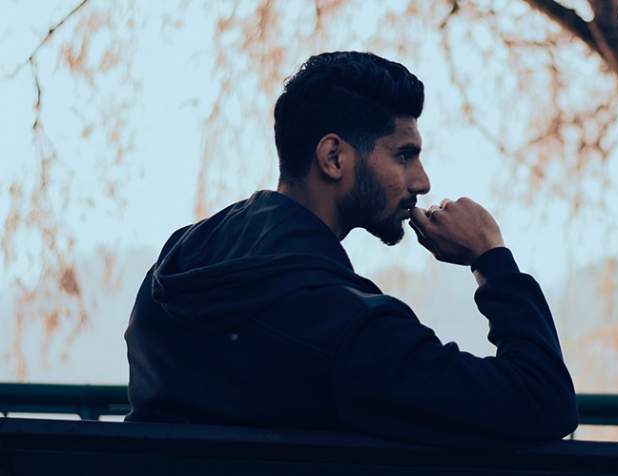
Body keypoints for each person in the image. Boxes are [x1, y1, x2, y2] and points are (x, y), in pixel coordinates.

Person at [124, 51, 578, 447]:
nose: (421, 181)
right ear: (334, 158)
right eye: (404, 154)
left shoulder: (175, 264)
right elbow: (541, 401)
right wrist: (491, 258)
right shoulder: (346, 330)